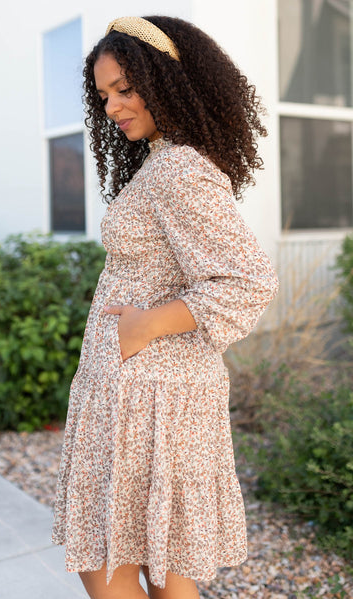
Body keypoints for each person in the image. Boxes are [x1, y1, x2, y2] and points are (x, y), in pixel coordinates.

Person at [52, 15, 279, 599]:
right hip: (149, 394)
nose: (113, 107)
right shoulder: (164, 161)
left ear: (168, 80)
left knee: (112, 563)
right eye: (104, 95)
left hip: (151, 397)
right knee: (157, 563)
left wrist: (144, 325)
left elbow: (247, 279)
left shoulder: (178, 168)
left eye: (125, 89)